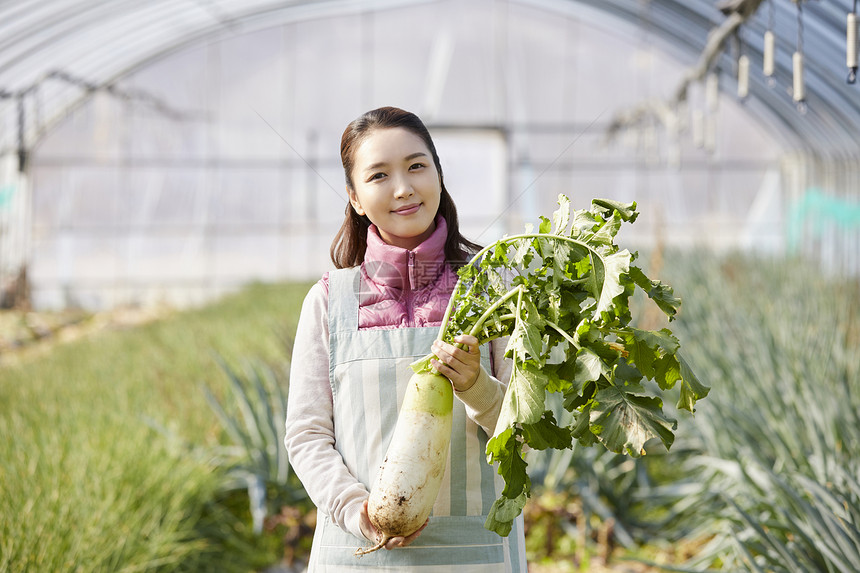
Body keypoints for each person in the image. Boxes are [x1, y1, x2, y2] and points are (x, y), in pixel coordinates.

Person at [284, 106, 527, 572]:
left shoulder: (495, 294)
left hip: (476, 556)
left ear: (439, 175)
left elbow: (527, 436)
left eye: (417, 166)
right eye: (379, 175)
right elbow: (307, 434)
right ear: (355, 197)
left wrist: (476, 385)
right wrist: (358, 511)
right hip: (357, 553)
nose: (403, 188)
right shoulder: (328, 301)